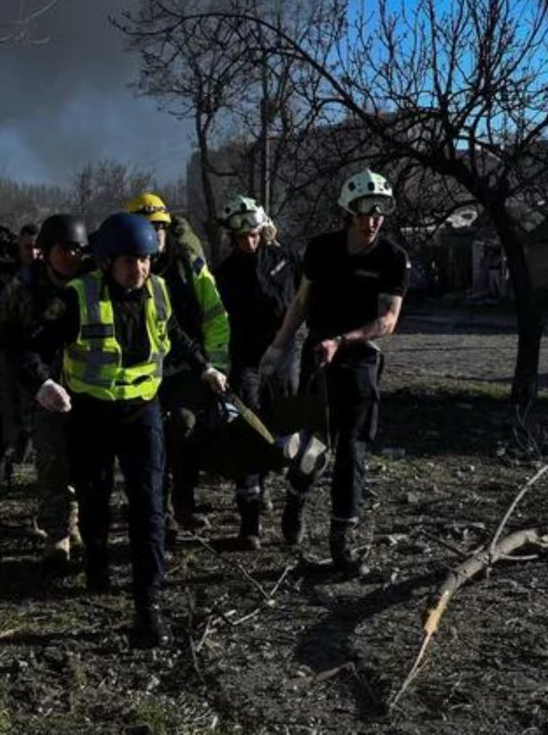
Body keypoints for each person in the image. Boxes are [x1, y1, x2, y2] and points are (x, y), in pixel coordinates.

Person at [60, 212, 228, 648]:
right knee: (94, 498)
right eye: (131, 261)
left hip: (142, 414)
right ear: (107, 262)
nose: (141, 269)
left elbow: (174, 333)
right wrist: (43, 382)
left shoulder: (158, 290)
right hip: (91, 416)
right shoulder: (78, 297)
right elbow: (39, 344)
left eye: (147, 259)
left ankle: (147, 605)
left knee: (149, 506)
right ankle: (96, 559)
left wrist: (205, 367)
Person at [262, 169, 408, 576]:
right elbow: (301, 302)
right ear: (349, 210)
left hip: (360, 357)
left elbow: (388, 320)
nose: (373, 219)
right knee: (315, 445)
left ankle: (342, 542)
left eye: (380, 211)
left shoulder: (393, 258)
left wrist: (343, 340)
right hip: (319, 356)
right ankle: (296, 496)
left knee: (352, 450)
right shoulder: (322, 250)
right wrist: (278, 346)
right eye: (365, 210)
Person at [0, 214, 92, 569]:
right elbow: (0, 322)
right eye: (64, 250)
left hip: (90, 381)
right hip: (42, 379)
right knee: (52, 456)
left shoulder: (93, 282)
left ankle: (79, 525)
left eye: (76, 249)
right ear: (47, 252)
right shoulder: (26, 284)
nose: (71, 256)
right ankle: (58, 532)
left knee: (86, 459)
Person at [125, 192, 231, 532]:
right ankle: (159, 509)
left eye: (160, 227)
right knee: (150, 439)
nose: (155, 234)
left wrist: (213, 365)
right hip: (140, 370)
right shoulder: (124, 265)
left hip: (186, 364)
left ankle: (182, 505)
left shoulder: (186, 261)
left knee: (184, 428)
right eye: (147, 227)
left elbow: (213, 312)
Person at [213, 195, 300, 549]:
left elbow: (310, 295)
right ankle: (249, 521)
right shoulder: (224, 274)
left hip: (285, 358)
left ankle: (292, 504)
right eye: (242, 237)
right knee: (245, 429)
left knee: (289, 430)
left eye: (254, 234)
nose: (249, 241)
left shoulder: (286, 259)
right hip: (244, 363)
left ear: (264, 230)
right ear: (232, 238)